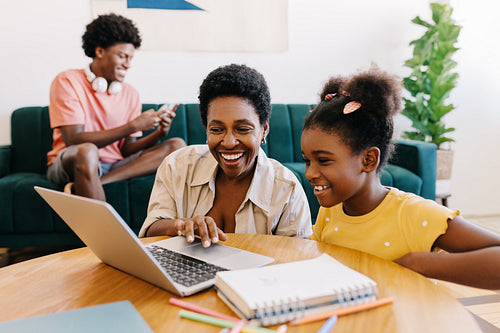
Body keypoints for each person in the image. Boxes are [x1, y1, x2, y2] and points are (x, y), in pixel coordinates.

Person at [302, 68, 500, 289]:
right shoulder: (330, 212)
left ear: (368, 159)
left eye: (323, 161)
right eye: (307, 160)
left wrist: (422, 264)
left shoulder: (414, 215)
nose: (309, 173)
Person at [140, 64, 312, 247]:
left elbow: (294, 260)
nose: (229, 142)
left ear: (264, 129)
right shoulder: (177, 166)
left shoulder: (287, 190)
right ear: (206, 129)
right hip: (185, 275)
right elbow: (151, 230)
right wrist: (180, 226)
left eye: (243, 129)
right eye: (217, 129)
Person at [47, 14, 185, 200]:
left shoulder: (130, 93)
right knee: (87, 151)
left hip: (114, 165)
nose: (128, 64)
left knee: (176, 145)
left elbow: (126, 150)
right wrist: (134, 126)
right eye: (122, 56)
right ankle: (99, 228)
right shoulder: (67, 81)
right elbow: (74, 140)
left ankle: (101, 182)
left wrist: (158, 133)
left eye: (130, 58)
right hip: (73, 161)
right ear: (100, 51)